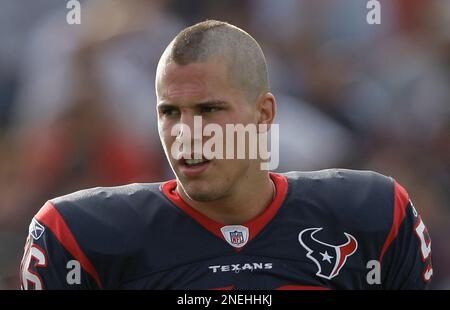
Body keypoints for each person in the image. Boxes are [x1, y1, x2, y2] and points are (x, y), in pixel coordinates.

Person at [20, 20, 432, 290]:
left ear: (264, 113)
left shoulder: (372, 214)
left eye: (208, 110)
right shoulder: (79, 235)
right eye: (169, 112)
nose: (185, 133)